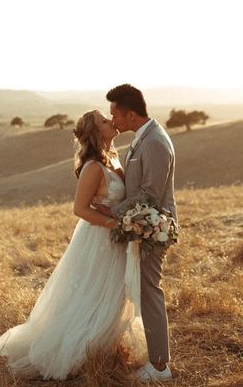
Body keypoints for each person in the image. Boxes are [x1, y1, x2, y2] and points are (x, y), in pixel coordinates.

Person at [0, 110, 147, 380]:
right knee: (92, 290)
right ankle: (81, 350)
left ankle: (104, 346)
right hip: (99, 238)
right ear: (94, 131)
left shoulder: (112, 157)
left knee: (112, 291)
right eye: (103, 120)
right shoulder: (92, 166)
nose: (110, 121)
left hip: (116, 237)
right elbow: (80, 209)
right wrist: (118, 225)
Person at [95, 84, 177, 382]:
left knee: (150, 291)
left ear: (130, 114)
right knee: (142, 290)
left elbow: (150, 194)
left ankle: (159, 367)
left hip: (154, 228)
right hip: (141, 226)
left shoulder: (154, 142)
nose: (112, 119)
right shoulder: (142, 139)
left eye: (114, 113)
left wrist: (113, 212)